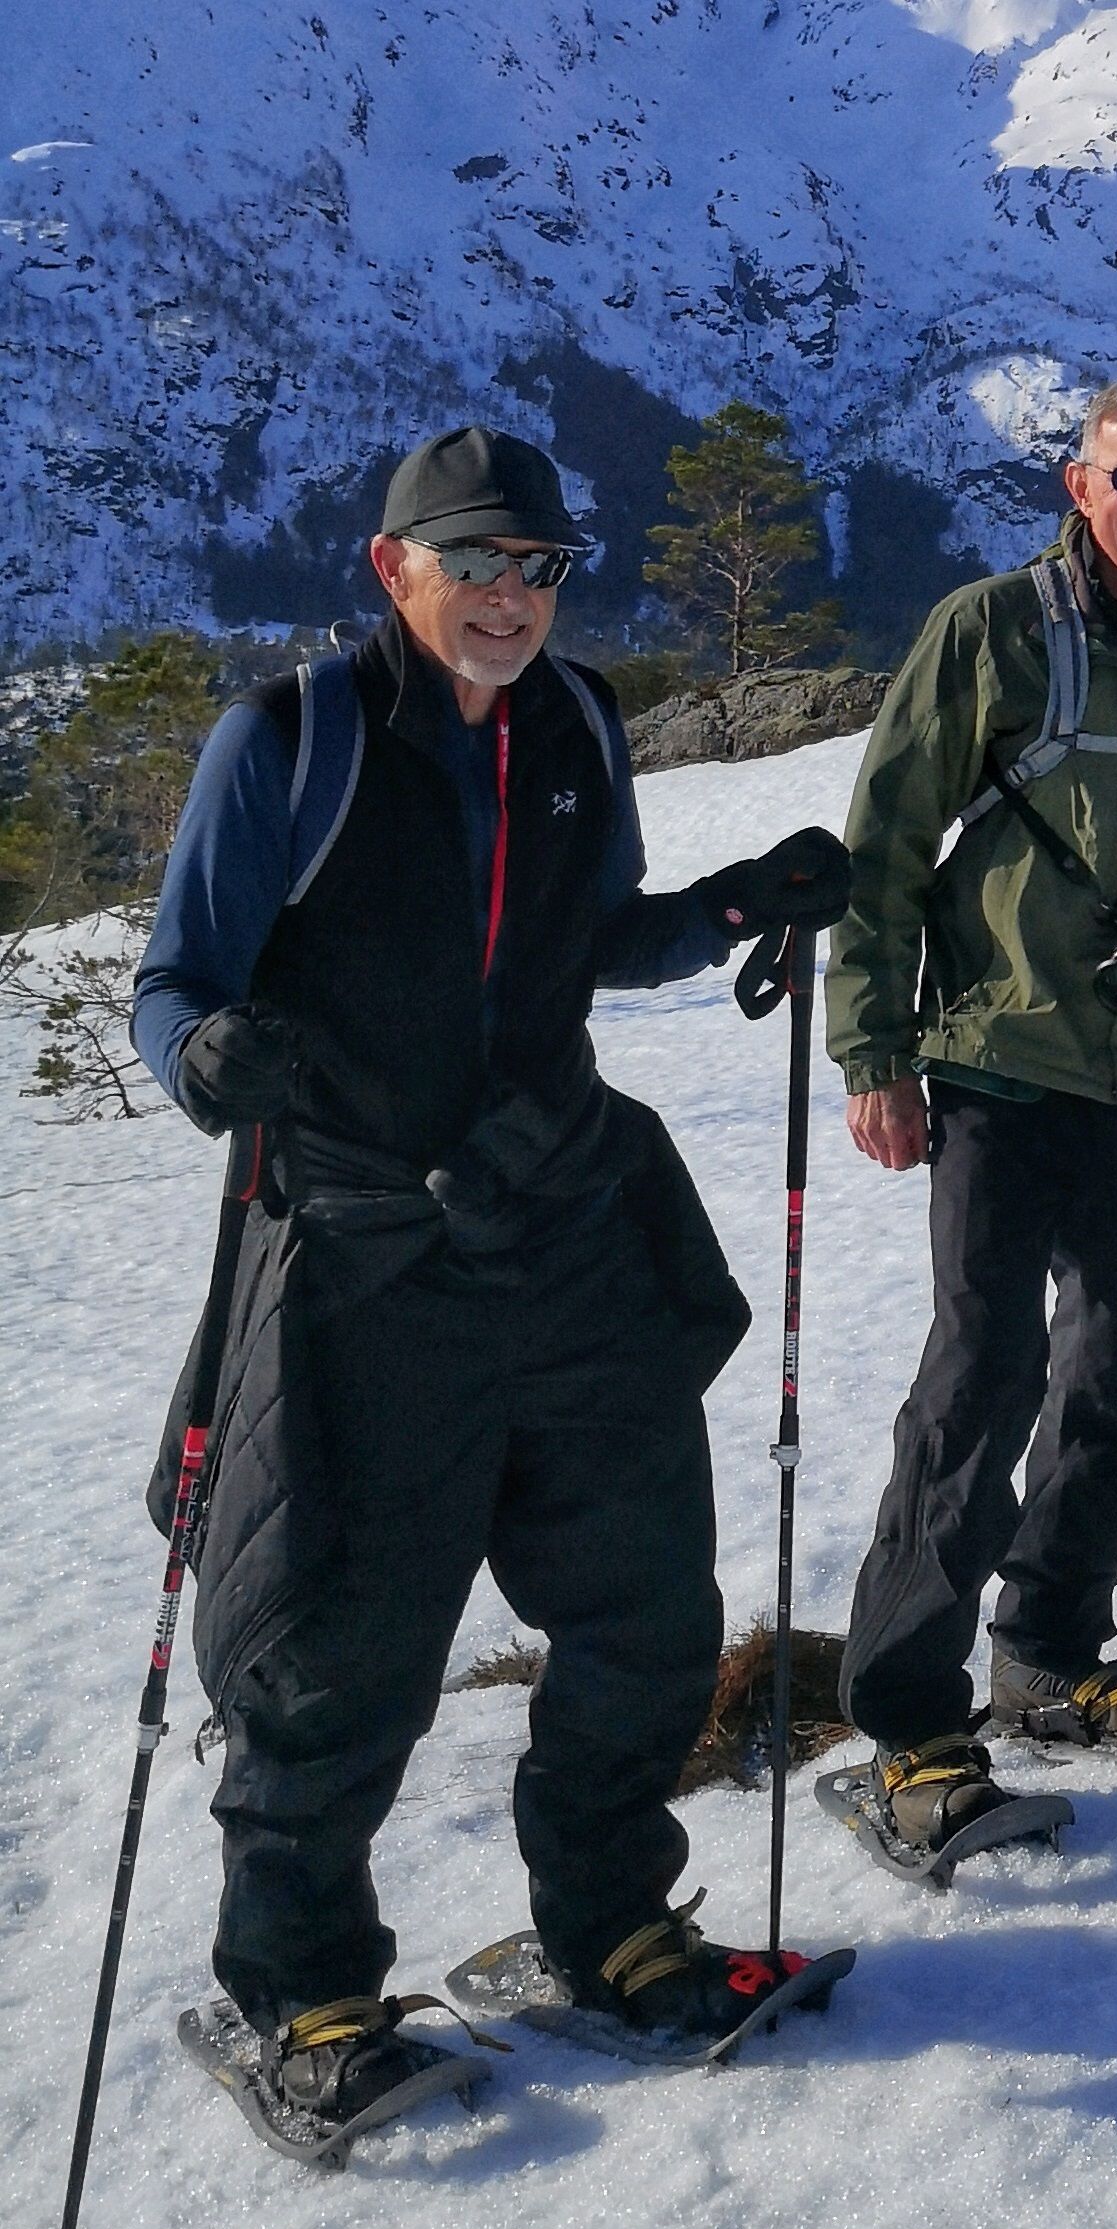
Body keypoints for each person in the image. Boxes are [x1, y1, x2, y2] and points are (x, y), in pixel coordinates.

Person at [130, 426, 855, 2118]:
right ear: (395, 569)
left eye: (540, 568)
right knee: (345, 1647)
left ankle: (606, 1927)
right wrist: (205, 1058)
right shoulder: (290, 743)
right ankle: (298, 1992)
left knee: (645, 1604)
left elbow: (597, 939)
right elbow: (174, 983)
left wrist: (739, 902)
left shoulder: (576, 726)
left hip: (565, 1220)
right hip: (366, 1261)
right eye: (478, 563)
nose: (512, 597)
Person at [830, 371, 1117, 1831]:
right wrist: (873, 1051)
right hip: (998, 1060)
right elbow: (887, 842)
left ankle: (1044, 1651)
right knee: (979, 1382)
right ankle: (906, 1719)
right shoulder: (987, 634)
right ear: (1075, 486)